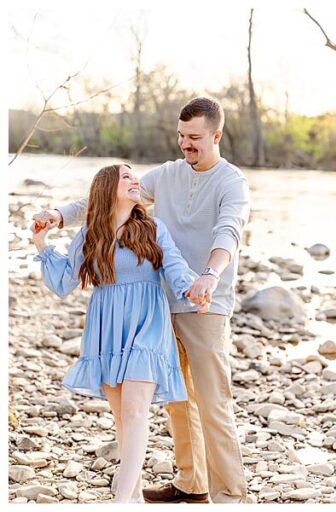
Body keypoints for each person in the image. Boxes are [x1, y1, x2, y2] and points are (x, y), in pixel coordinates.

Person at [33, 97, 251, 503]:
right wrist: (59, 217)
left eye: (195, 138)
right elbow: (104, 200)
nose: (186, 144)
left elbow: (229, 232)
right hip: (155, 301)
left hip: (203, 299)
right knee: (175, 400)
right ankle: (191, 483)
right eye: (182, 135)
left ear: (217, 135)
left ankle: (231, 498)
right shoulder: (165, 175)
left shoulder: (231, 181)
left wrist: (210, 275)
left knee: (211, 401)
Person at [32, 164, 208, 503]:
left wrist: (192, 290)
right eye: (126, 177)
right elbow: (64, 281)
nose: (135, 181)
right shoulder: (88, 235)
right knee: (122, 419)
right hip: (107, 326)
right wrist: (42, 244)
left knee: (135, 411)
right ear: (107, 188)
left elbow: (174, 267)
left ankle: (121, 501)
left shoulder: (153, 228)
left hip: (148, 324)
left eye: (134, 176)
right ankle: (137, 498)